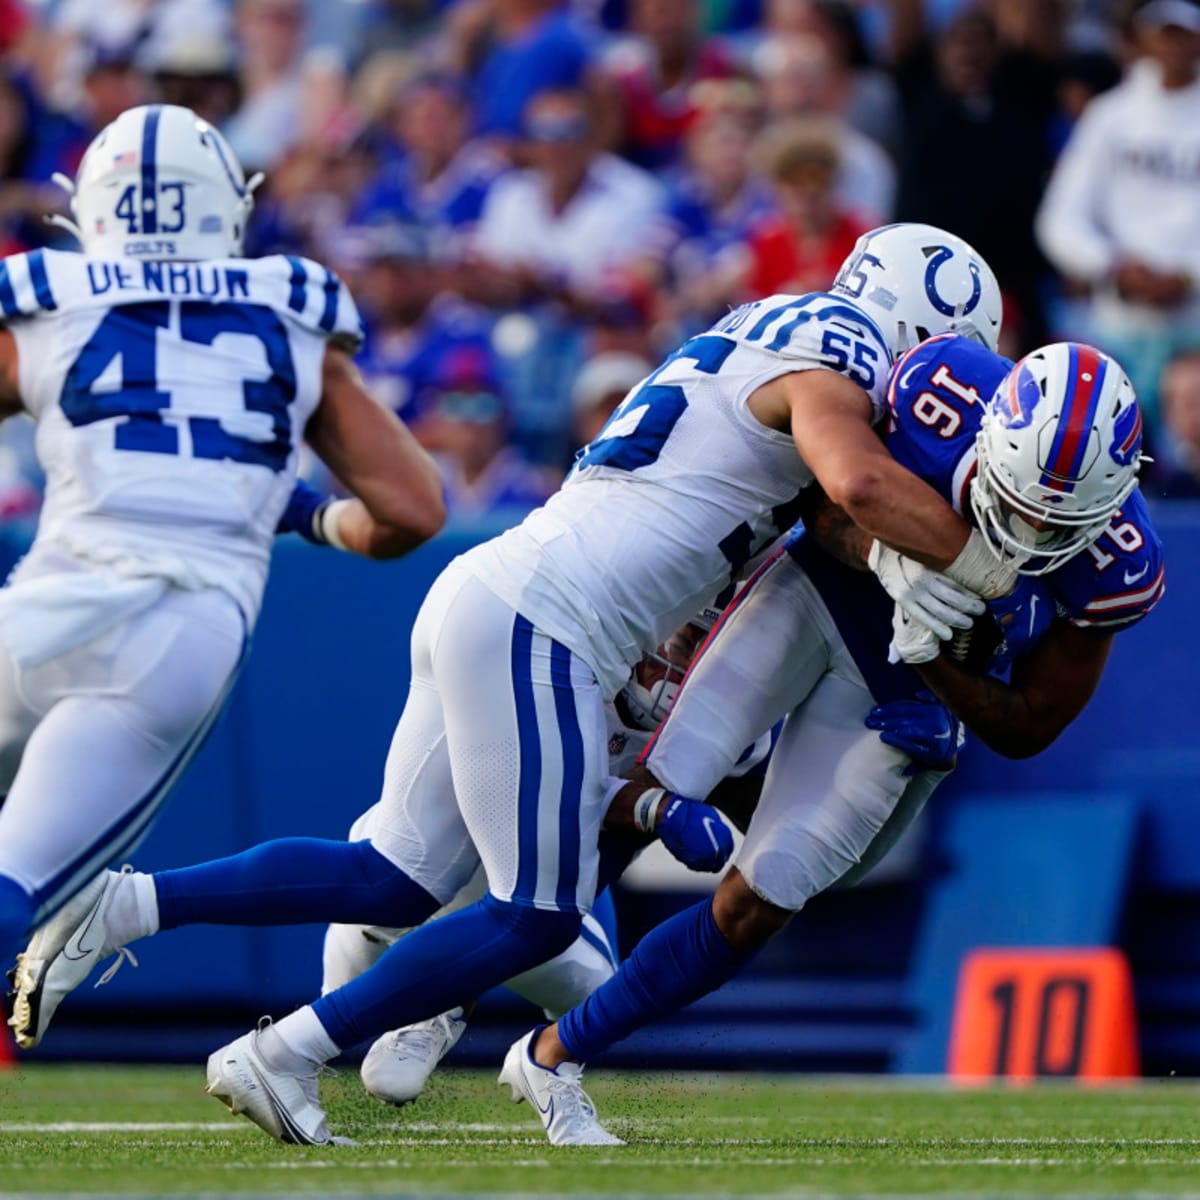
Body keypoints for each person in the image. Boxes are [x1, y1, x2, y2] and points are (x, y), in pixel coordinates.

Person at [14, 223, 1014, 1148]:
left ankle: (122, 906)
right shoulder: (837, 354)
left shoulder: (761, 326)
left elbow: (826, 511)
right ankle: (284, 1055)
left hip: (502, 585)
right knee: (535, 912)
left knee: (397, 878)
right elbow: (861, 486)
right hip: (553, 619)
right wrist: (991, 572)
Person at [503, 335, 1163, 1144]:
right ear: (992, 433)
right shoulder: (940, 395)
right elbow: (810, 499)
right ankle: (460, 976)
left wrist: (941, 671)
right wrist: (888, 555)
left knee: (764, 897)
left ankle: (552, 1055)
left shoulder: (1119, 563)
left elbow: (1031, 724)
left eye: (1054, 520)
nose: (1027, 529)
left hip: (900, 696)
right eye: (1020, 499)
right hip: (819, 595)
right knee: (653, 779)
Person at [0, 103, 447, 1011]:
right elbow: (411, 508)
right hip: (176, 627)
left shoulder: (47, 294)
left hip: (42, 606)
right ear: (226, 206)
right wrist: (304, 513)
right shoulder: (288, 306)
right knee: (16, 885)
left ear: (89, 207)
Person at [326, 603, 774, 1107]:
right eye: (685, 635)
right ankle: (389, 1002)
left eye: (704, 645)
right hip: (440, 854)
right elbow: (524, 785)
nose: (679, 658)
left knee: (598, 998)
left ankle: (443, 993)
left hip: (541, 885)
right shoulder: (561, 658)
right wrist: (652, 808)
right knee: (353, 965)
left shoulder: (718, 721)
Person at [1035, 0, 1200, 417]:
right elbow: (1059, 218)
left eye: (1181, 35)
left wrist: (1187, 274)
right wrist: (1111, 265)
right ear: (1144, 39)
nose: (1172, 47)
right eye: (1163, 35)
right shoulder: (1110, 116)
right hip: (1116, 325)